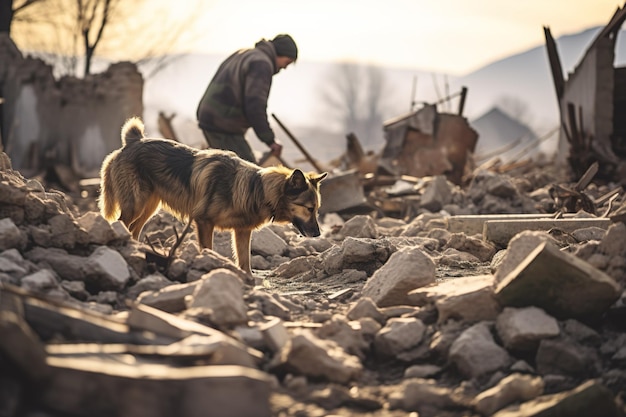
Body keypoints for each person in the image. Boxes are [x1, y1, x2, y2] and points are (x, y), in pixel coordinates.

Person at [196, 34, 298, 163]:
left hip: (212, 118)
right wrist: (270, 140)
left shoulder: (245, 54)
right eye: (287, 62)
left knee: (222, 170)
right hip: (224, 125)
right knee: (245, 172)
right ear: (280, 53)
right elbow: (255, 106)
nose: (285, 67)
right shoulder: (261, 64)